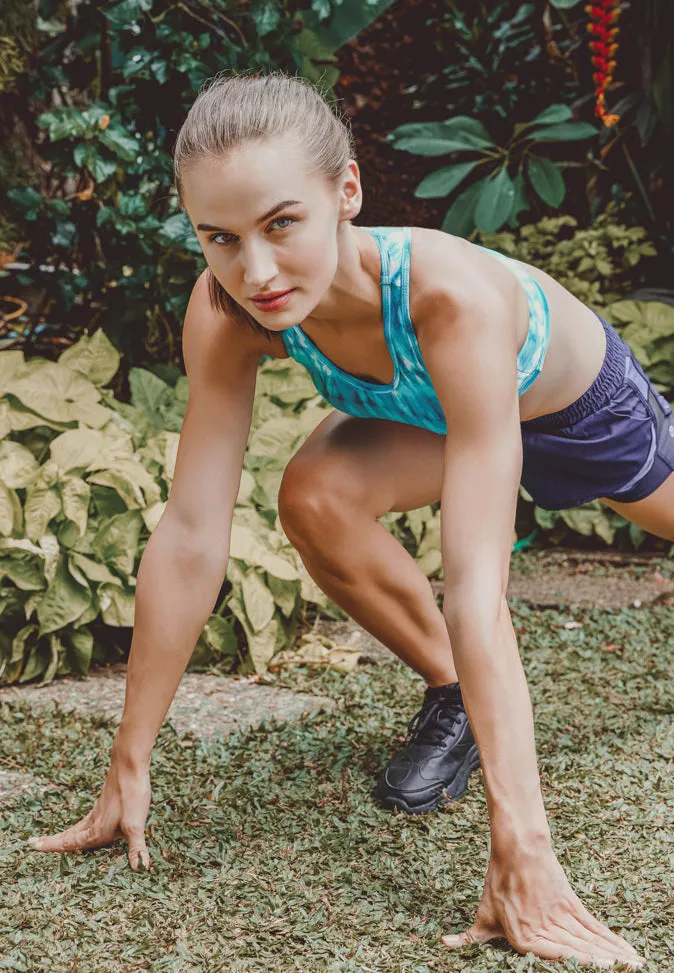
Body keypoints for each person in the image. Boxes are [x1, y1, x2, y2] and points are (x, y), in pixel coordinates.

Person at [27, 70, 673, 968]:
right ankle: (453, 696)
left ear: (347, 193)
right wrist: (127, 760)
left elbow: (481, 586)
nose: (254, 270)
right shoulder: (227, 311)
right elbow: (189, 533)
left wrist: (523, 849)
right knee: (315, 495)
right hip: (431, 419)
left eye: (282, 224)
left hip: (572, 409)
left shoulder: (450, 298)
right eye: (221, 237)